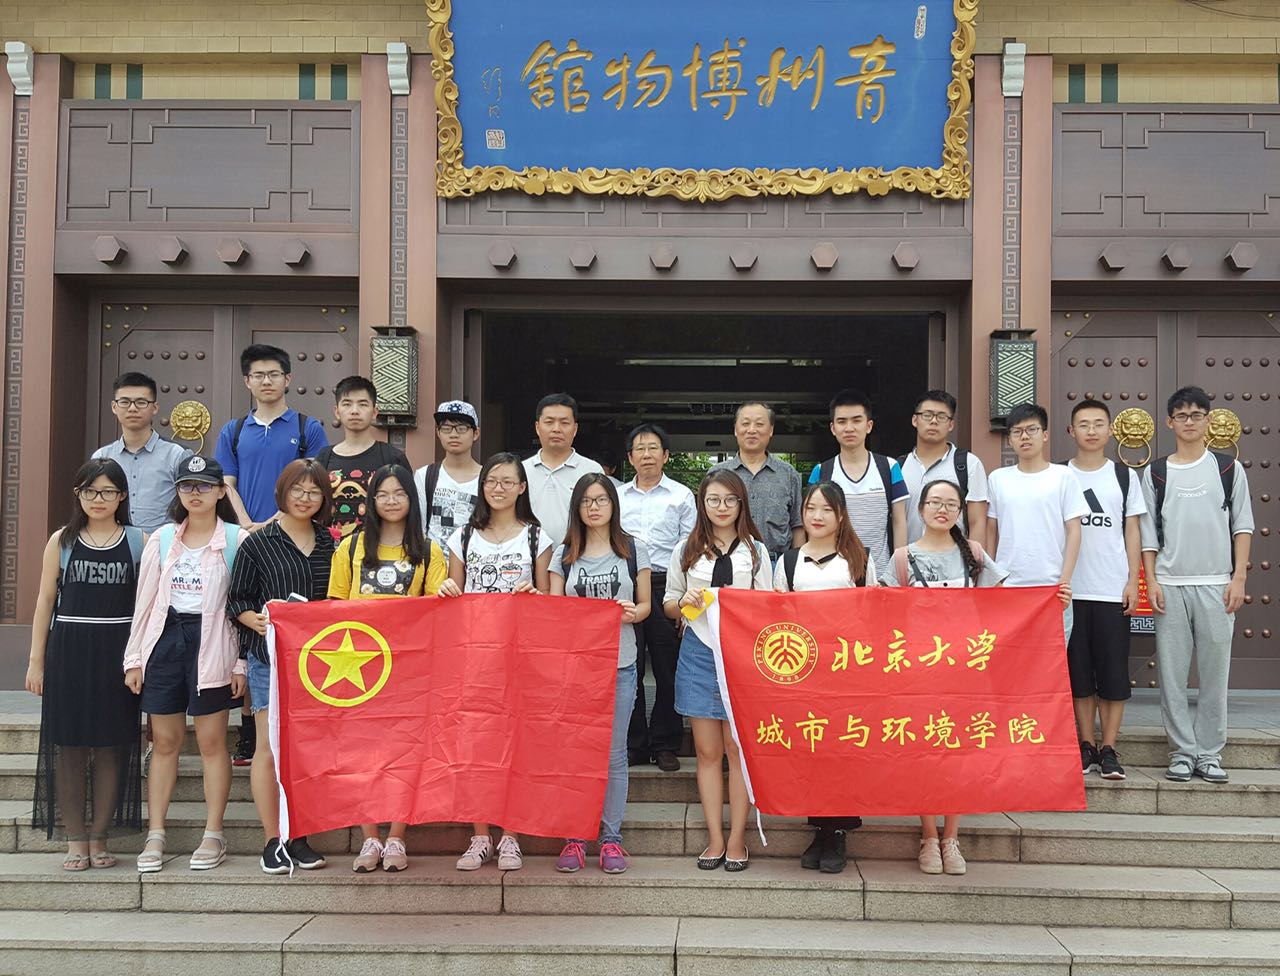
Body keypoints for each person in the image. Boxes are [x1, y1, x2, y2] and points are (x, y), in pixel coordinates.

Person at [123, 455, 246, 874]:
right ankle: (155, 833)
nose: (195, 493)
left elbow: (243, 605)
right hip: (166, 639)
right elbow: (145, 603)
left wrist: (241, 664)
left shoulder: (236, 540)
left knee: (212, 742)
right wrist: (135, 658)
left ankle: (214, 833)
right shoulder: (161, 539)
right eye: (187, 486)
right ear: (177, 492)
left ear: (220, 491)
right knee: (165, 741)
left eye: (204, 485)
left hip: (214, 642)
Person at [882, 479, 1009, 875]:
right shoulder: (902, 558)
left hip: (965, 674)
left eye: (951, 504)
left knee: (958, 755)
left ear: (960, 512)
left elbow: (1004, 603)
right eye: (935, 502)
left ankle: (951, 837)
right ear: (920, 509)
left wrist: (1050, 599)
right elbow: (883, 613)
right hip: (919, 673)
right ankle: (928, 836)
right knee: (924, 754)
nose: (942, 509)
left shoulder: (975, 554)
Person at [26, 459, 144, 870]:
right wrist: (36, 661)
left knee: (113, 747)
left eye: (108, 491)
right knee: (70, 748)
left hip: (118, 653)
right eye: (90, 491)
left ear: (122, 496)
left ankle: (100, 836)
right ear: (78, 494)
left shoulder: (138, 541)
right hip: (70, 651)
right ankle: (75, 838)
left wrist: (139, 659)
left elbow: (147, 606)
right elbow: (45, 601)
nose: (99, 499)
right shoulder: (62, 540)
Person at [329, 463, 446, 872]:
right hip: (358, 667)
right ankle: (369, 838)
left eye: (399, 493)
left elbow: (437, 610)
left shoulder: (429, 551)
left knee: (405, 752)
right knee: (364, 753)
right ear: (371, 501)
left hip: (410, 668)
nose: (391, 501)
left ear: (412, 499)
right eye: (382, 494)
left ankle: (397, 835)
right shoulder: (350, 548)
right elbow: (333, 608)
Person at [215, 344, 328, 766]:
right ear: (247, 381)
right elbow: (226, 482)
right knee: (250, 622)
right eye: (258, 375)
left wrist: (274, 519)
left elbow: (310, 482)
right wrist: (248, 523)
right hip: (245, 535)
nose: (266, 381)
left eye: (274, 374)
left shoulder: (306, 426)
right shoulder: (234, 429)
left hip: (289, 532)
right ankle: (250, 726)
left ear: (287, 379)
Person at [440, 452, 552, 872]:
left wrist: (534, 597)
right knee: (476, 745)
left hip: (520, 657)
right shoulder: (463, 537)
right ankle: (480, 835)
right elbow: (454, 591)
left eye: (507, 481)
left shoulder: (538, 537)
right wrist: (447, 590)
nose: (499, 488)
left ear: (522, 488)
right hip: (474, 657)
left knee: (516, 747)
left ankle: (511, 836)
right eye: (491, 481)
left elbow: (549, 601)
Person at [227, 459, 336, 874]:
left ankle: (299, 835)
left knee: (307, 750)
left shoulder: (332, 544)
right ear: (283, 493)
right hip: (268, 659)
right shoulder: (258, 543)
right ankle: (273, 839)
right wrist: (251, 618)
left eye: (314, 492)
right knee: (269, 747)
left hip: (319, 665)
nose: (305, 498)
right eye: (297, 490)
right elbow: (237, 599)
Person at [1140, 386, 1253, 785]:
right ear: (1169, 422)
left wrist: (1238, 577)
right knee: (1171, 675)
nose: (1189, 422)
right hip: (1170, 584)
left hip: (1217, 585)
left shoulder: (1227, 469)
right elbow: (1148, 535)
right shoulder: (1156, 472)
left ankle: (1209, 753)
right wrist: (1152, 581)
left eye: (1196, 415)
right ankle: (1182, 753)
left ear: (1208, 420)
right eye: (1182, 416)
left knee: (1214, 673)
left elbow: (1242, 526)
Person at [666, 470, 771, 873]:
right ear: (702, 504)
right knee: (707, 752)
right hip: (698, 651)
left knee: (738, 750)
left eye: (730, 500)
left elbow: (769, 608)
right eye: (713, 500)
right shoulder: (686, 548)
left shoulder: (757, 552)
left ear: (742, 504)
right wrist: (685, 602)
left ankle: (737, 839)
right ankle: (714, 838)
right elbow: (669, 603)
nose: (722, 507)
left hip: (743, 657)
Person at [550, 473, 651, 875]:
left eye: (601, 500)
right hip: (575, 669)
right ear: (576, 507)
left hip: (621, 663)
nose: (594, 508)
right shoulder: (564, 554)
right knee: (574, 753)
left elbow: (646, 606)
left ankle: (611, 840)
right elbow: (554, 611)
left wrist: (632, 613)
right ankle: (575, 838)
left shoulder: (633, 549)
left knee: (614, 754)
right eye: (586, 501)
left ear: (613, 504)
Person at [774, 482, 876, 874]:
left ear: (841, 515)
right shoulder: (788, 562)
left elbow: (873, 617)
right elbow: (777, 618)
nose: (817, 516)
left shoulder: (859, 559)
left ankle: (838, 832)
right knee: (811, 748)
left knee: (843, 749)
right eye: (811, 508)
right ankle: (818, 827)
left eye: (826, 509)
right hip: (803, 672)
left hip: (847, 672)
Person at [1066, 399, 1147, 781]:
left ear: (1110, 430)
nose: (1092, 430)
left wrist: (1133, 580)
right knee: (1079, 675)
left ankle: (1109, 748)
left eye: (1099, 423)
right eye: (1084, 424)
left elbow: (1132, 530)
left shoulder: (1124, 476)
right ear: (1071, 431)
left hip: (1111, 589)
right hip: (1071, 592)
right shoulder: (1060, 476)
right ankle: (1086, 744)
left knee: (1113, 676)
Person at [618, 424, 696, 772]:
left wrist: (683, 603)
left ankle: (666, 742)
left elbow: (690, 549)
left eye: (653, 448)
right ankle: (634, 743)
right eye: (640, 449)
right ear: (630, 457)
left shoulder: (681, 496)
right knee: (629, 666)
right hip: (628, 585)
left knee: (668, 666)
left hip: (667, 584)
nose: (646, 455)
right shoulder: (617, 496)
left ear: (666, 455)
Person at [986, 404, 1083, 639]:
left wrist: (1064, 580)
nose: (1025, 436)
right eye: (1017, 432)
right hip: (1009, 586)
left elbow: (1074, 531)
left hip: (1052, 588)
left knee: (1051, 656)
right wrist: (993, 578)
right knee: (1010, 655)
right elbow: (991, 530)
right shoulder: (998, 478)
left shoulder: (1064, 476)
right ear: (1010, 439)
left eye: (1032, 429)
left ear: (1045, 435)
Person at [808, 389, 908, 574]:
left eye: (856, 420)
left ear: (869, 426)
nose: (849, 428)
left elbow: (899, 522)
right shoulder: (821, 472)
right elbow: (813, 524)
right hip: (835, 574)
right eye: (842, 421)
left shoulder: (889, 467)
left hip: (881, 574)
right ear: (833, 428)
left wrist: (898, 571)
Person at [92, 372, 192, 532]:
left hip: (163, 544)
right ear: (114, 407)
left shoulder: (176, 454)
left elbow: (192, 504)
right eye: (124, 402)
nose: (132, 408)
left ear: (155, 408)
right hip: (114, 543)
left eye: (141, 402)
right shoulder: (101, 457)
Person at [314, 376, 409, 540]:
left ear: (375, 412)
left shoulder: (392, 457)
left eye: (363, 404)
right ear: (337, 412)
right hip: (330, 550)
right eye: (347, 404)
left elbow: (408, 506)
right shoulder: (324, 457)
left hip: (377, 548)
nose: (354, 411)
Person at [709, 402, 804, 562]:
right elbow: (706, 521)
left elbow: (797, 524)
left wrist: (796, 565)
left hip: (777, 563)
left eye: (759, 424)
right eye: (745, 423)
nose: (752, 430)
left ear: (771, 430)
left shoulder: (788, 474)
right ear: (735, 429)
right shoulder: (717, 474)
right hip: (730, 561)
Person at [899, 390, 989, 548]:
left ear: (951, 425)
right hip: (909, 559)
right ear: (915, 420)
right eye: (927, 415)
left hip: (956, 559)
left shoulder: (968, 464)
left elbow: (977, 522)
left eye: (941, 417)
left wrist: (974, 561)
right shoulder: (899, 467)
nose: (934, 421)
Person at [522, 393, 603, 548]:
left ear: (575, 429)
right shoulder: (521, 471)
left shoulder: (591, 470)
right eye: (549, 422)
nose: (556, 429)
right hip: (529, 556)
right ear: (537, 427)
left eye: (564, 423)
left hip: (578, 555)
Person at [415, 400, 482, 563]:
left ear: (475, 433)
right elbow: (418, 526)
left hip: (474, 566)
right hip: (434, 568)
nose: (453, 434)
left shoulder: (488, 478)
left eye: (461, 428)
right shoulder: (424, 476)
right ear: (438, 433)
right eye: (446, 428)